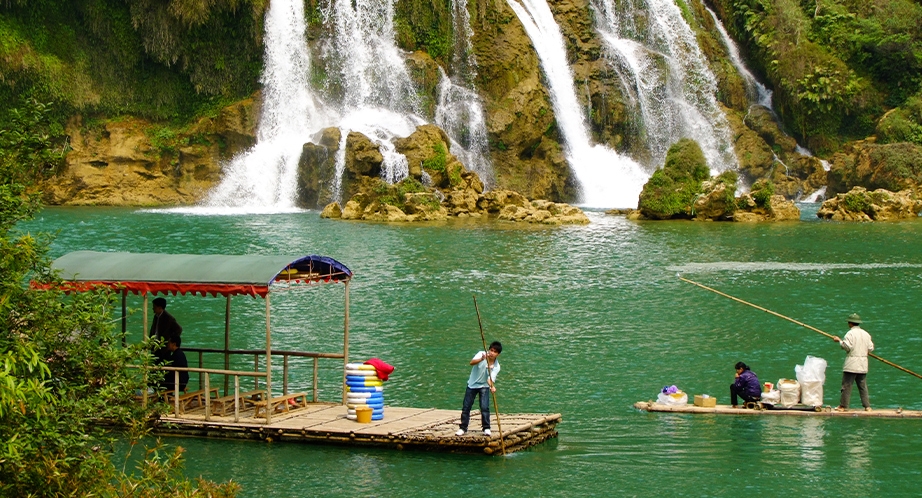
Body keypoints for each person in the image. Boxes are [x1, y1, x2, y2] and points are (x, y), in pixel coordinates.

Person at [456, 341, 502, 437]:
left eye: (495, 352)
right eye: (491, 350)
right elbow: (471, 363)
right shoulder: (482, 354)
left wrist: (492, 386)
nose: (492, 353)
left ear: (498, 354)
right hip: (472, 385)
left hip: (484, 386)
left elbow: (490, 379)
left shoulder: (496, 366)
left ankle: (486, 428)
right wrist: (481, 359)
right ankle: (463, 428)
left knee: (484, 407)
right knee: (466, 407)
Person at [833, 313, 874, 412]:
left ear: (850, 323)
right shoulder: (866, 334)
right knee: (862, 386)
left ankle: (843, 406)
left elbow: (847, 347)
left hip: (852, 363)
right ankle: (867, 406)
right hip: (863, 363)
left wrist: (839, 341)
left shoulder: (850, 334)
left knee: (846, 385)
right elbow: (871, 348)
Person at [150, 297, 182, 362]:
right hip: (155, 346)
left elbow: (179, 329)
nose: (153, 308)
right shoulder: (156, 316)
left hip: (164, 349)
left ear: (160, 308)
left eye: (154, 307)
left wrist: (170, 340)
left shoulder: (168, 318)